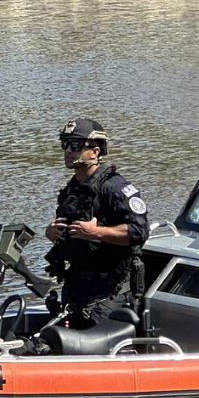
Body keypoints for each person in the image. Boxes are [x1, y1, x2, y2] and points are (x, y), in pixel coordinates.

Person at [44, 118, 149, 328]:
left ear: (95, 151)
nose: (68, 151)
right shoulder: (72, 189)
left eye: (75, 145)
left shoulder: (115, 188)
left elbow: (139, 232)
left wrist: (96, 232)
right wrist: (51, 233)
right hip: (75, 287)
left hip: (109, 292)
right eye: (65, 145)